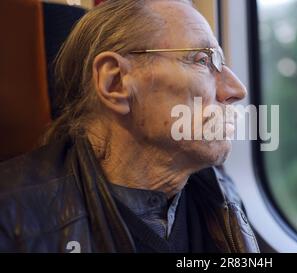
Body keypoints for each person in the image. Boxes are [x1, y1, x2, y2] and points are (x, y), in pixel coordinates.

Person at [0, 0, 259, 253]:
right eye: (203, 60)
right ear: (115, 82)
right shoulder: (13, 219)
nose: (237, 90)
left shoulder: (222, 194)